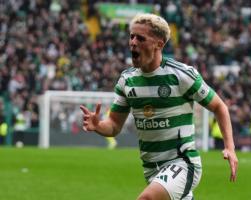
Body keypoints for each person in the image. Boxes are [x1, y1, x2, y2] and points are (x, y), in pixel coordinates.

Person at [80, 13, 238, 200]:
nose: (133, 42)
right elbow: (114, 125)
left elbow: (219, 107)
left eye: (140, 38)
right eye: (131, 36)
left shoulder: (181, 75)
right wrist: (99, 126)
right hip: (151, 169)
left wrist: (230, 147)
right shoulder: (127, 80)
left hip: (183, 163)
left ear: (159, 44)